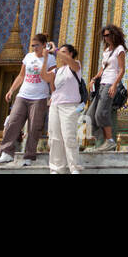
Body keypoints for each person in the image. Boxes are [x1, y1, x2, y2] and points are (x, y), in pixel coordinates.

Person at [0, 33, 57, 166]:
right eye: (33, 45)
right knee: (13, 122)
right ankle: (6, 152)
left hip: (40, 97)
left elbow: (52, 79)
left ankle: (29, 155)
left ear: (44, 45)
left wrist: (53, 95)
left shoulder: (51, 59)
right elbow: (21, 75)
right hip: (23, 95)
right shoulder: (28, 57)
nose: (34, 48)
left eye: (37, 45)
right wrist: (11, 90)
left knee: (34, 127)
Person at [88, 24, 126, 152]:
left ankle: (109, 141)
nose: (106, 38)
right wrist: (95, 78)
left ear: (114, 35)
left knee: (101, 113)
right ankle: (102, 142)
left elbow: (121, 70)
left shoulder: (119, 49)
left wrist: (115, 85)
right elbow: (103, 68)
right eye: (104, 36)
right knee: (90, 115)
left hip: (110, 83)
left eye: (108, 35)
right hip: (102, 84)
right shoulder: (106, 51)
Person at [47, 43, 84, 174]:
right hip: (56, 105)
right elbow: (47, 80)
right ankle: (57, 168)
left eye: (64, 52)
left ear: (71, 54)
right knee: (55, 137)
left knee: (69, 136)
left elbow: (70, 62)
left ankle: (74, 167)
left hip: (70, 106)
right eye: (59, 52)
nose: (60, 55)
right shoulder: (57, 71)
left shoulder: (76, 66)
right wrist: (45, 56)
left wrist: (56, 50)